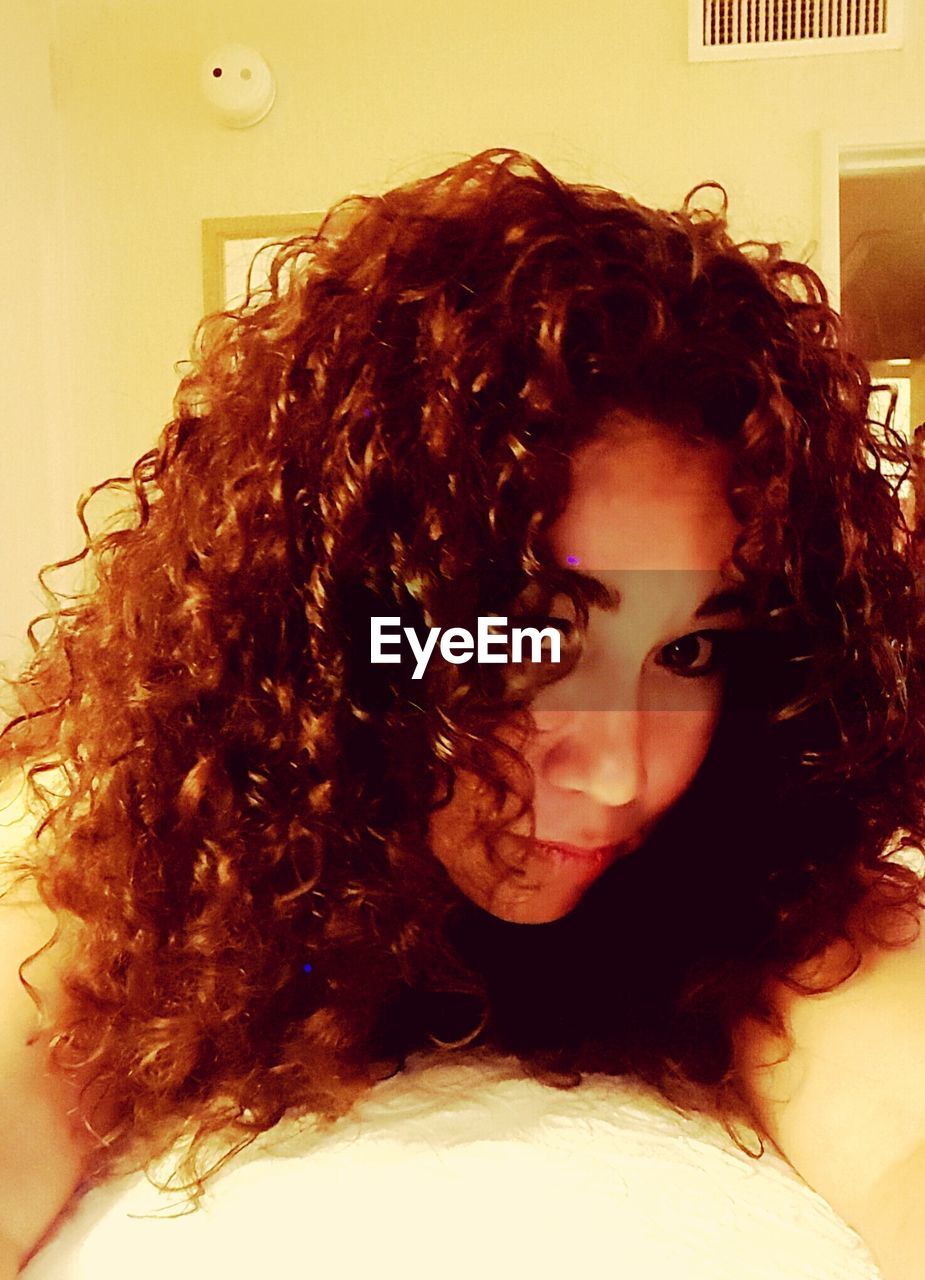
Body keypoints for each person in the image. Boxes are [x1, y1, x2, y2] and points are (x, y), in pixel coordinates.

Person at [2, 148, 923, 1277]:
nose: (620, 772)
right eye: (528, 636)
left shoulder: (753, 859)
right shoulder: (154, 836)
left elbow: (902, 1122)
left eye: (688, 647)